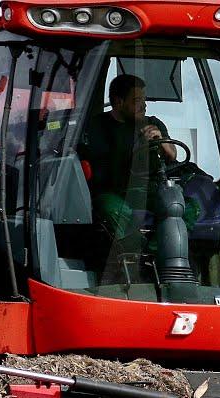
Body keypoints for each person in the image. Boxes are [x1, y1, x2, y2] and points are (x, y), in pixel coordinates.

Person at [79, 74, 200, 264]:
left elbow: (172, 156)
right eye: (137, 101)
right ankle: (127, 257)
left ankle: (150, 253)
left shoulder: (152, 123)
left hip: (150, 189)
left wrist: (160, 140)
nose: (144, 106)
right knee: (112, 208)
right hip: (116, 191)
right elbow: (104, 170)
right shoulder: (97, 127)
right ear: (118, 102)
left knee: (189, 207)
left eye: (144, 100)